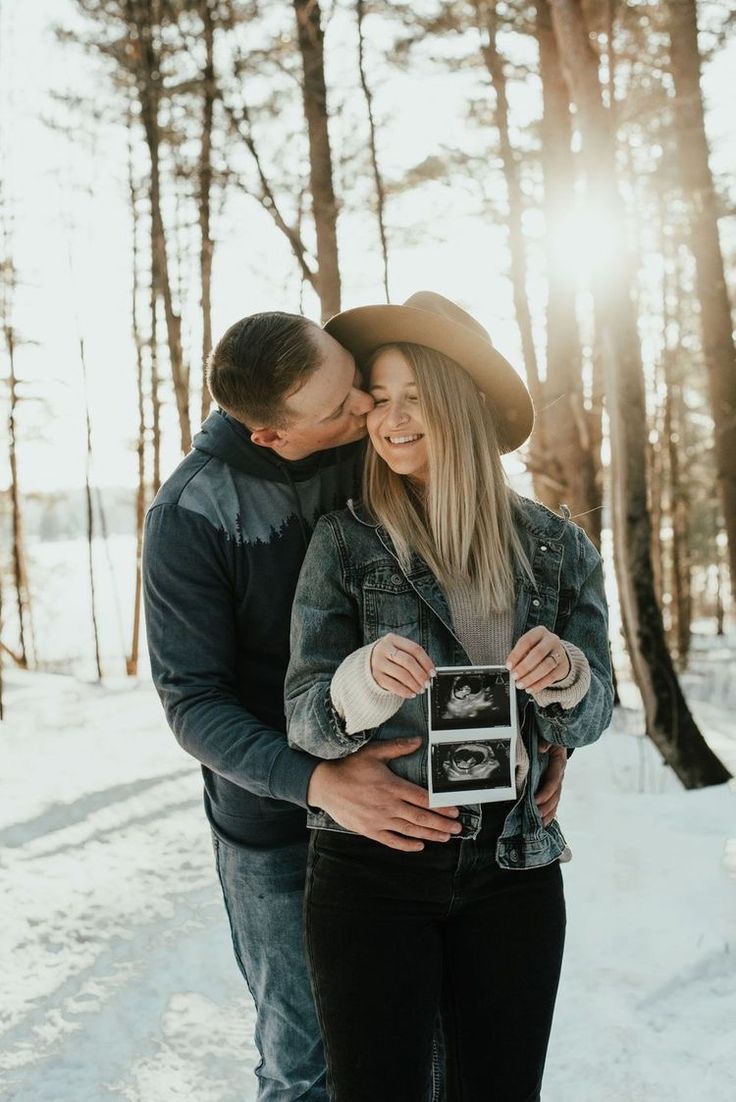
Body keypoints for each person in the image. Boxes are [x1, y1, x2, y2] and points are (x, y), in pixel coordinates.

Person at [142, 306, 569, 1102]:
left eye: (359, 385)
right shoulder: (193, 515)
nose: (369, 413)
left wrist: (545, 732)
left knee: (441, 1051)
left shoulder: (364, 445)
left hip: (414, 817)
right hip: (278, 826)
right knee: (305, 1060)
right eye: (347, 407)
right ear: (272, 436)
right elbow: (192, 703)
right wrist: (320, 781)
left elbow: (475, 572)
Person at [285, 292, 614, 1102]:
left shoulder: (558, 546)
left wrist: (568, 675)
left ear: (464, 406)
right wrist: (359, 683)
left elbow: (598, 710)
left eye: (417, 399)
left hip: (515, 867)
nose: (393, 420)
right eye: (381, 400)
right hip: (373, 872)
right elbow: (303, 715)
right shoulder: (345, 541)